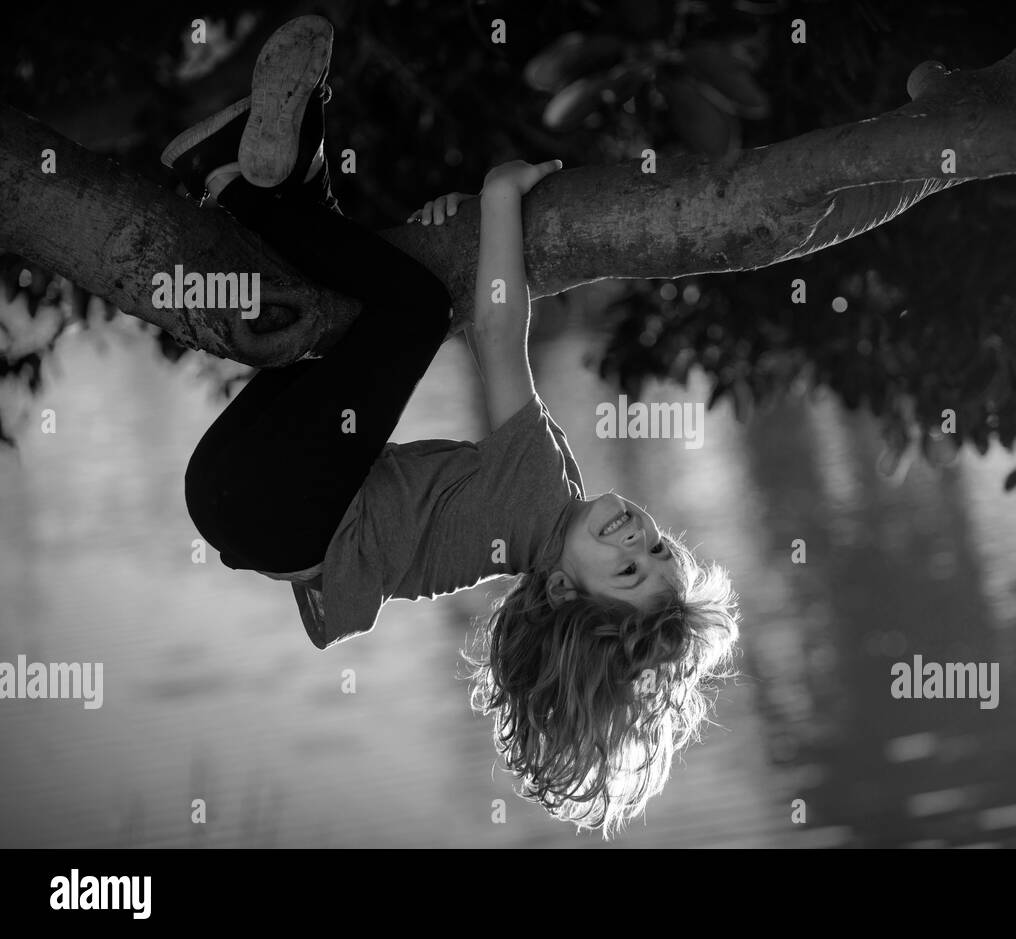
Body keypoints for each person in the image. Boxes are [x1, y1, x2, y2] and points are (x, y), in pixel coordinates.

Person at [164, 15, 739, 836]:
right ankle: (278, 179)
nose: (636, 537)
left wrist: (500, 197)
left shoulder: (536, 499)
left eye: (624, 568)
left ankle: (242, 190)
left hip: (274, 498)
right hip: (244, 502)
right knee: (363, 313)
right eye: (657, 549)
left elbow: (497, 329)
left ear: (561, 592)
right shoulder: (535, 517)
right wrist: (462, 227)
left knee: (411, 313)